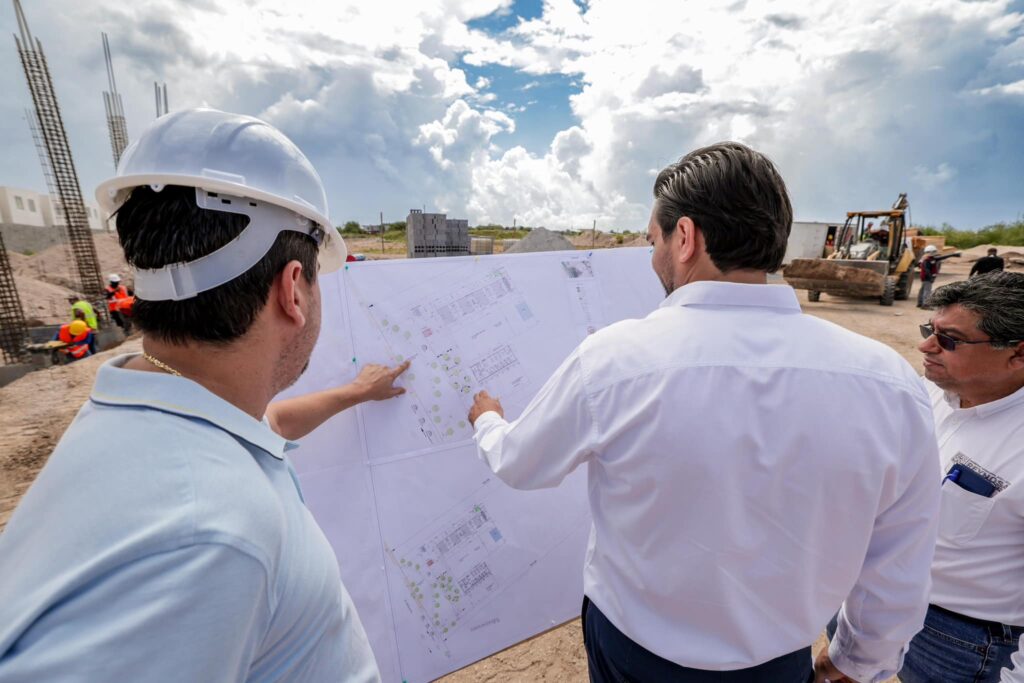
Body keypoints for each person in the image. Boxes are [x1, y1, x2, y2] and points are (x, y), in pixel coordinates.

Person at [467, 142, 941, 683]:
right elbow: (900, 552)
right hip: (777, 663)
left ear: (685, 237)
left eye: (653, 240)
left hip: (633, 656)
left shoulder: (614, 361)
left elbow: (520, 464)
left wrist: (488, 421)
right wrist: (864, 662)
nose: (651, 258)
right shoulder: (887, 380)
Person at [0, 109, 408, 682]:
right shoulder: (206, 537)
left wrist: (353, 393)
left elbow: (272, 424)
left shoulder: (159, 404)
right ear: (294, 289)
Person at [900, 271, 1024, 682]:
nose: (926, 346)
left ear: (1018, 354)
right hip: (886, 596)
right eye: (928, 330)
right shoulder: (933, 390)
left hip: (960, 640)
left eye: (949, 339)